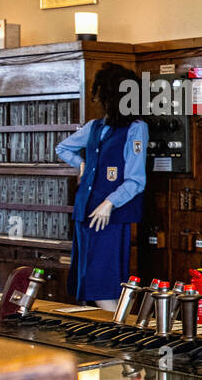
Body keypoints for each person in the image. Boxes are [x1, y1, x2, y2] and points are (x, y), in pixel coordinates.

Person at [56, 63, 148, 309]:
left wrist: (110, 203)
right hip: (85, 213)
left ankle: (116, 338)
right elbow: (63, 148)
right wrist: (82, 164)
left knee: (103, 282)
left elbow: (136, 180)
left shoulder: (136, 128)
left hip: (110, 217)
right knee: (84, 282)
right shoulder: (94, 127)